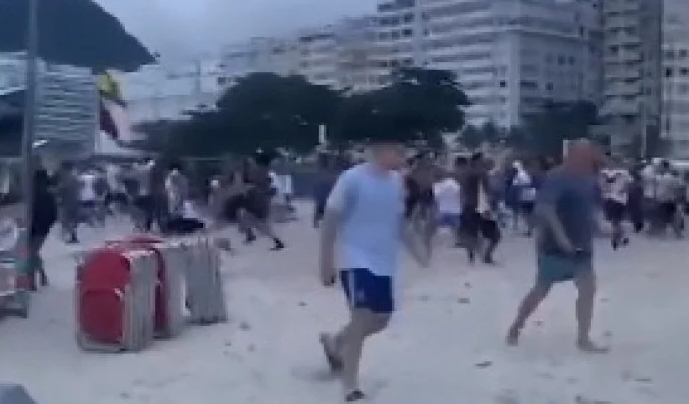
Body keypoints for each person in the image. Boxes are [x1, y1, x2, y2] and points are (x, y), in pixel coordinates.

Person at [318, 141, 429, 402]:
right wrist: (325, 261)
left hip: (384, 262)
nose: (403, 155)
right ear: (380, 150)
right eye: (398, 150)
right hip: (355, 258)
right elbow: (330, 219)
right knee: (361, 318)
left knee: (381, 319)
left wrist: (418, 251)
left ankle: (335, 343)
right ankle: (350, 385)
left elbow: (400, 224)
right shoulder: (352, 179)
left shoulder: (397, 183)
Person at [506, 139, 607, 353]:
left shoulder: (589, 179)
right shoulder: (557, 177)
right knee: (541, 289)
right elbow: (545, 209)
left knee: (588, 289)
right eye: (585, 154)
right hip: (553, 244)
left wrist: (603, 228)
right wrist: (561, 238)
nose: (589, 158)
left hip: (582, 244)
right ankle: (517, 325)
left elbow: (590, 210)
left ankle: (583, 338)